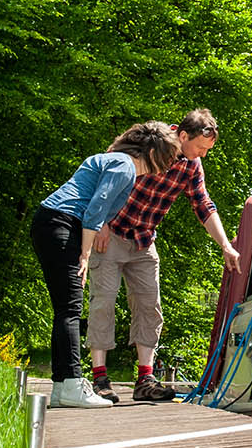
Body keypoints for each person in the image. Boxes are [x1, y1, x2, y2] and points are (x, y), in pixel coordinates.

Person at [86, 108, 240, 404]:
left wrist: (225, 245)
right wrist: (100, 222)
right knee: (103, 301)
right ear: (183, 136)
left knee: (150, 305)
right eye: (200, 148)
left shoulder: (192, 166)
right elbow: (108, 170)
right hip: (112, 233)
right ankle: (99, 378)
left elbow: (204, 205)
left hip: (144, 240)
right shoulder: (152, 141)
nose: (203, 155)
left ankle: (145, 378)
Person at [33, 121, 181, 409]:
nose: (169, 165)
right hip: (62, 223)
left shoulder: (117, 162)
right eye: (169, 157)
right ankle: (74, 383)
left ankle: (63, 387)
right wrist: (85, 255)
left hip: (51, 222)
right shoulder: (124, 165)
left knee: (65, 309)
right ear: (154, 152)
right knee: (71, 310)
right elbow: (95, 210)